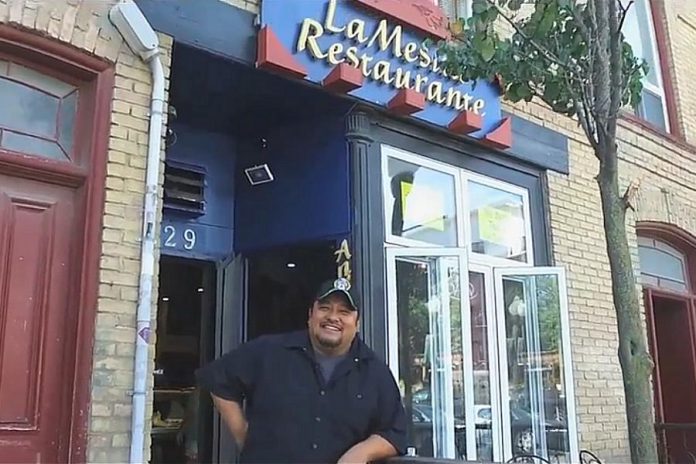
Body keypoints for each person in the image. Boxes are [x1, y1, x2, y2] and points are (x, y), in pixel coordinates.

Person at [196, 278, 407, 464]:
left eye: (344, 312)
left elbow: (395, 433)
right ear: (310, 315)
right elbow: (218, 378)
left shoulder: (375, 373)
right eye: (325, 308)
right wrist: (244, 436)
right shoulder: (270, 351)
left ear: (357, 323)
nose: (333, 317)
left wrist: (361, 453)